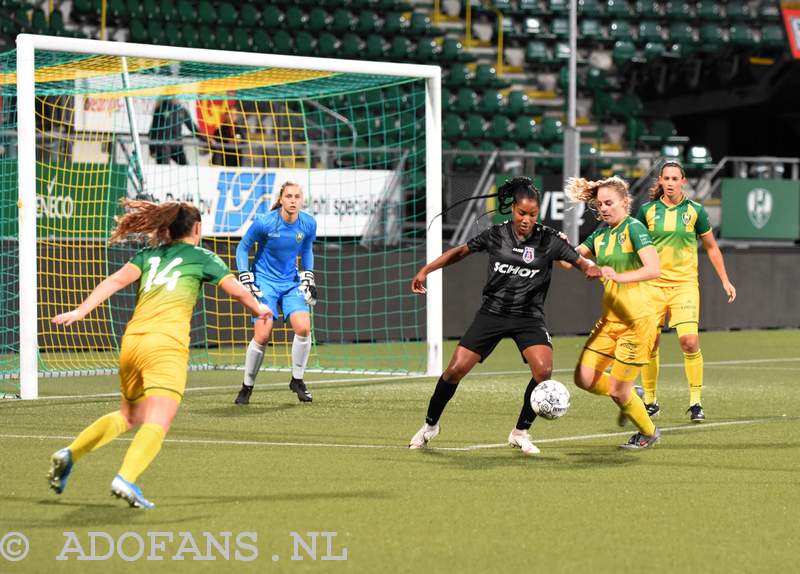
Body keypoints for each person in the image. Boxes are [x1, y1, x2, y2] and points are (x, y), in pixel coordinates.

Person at [47, 200, 272, 508]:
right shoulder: (203, 257)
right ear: (196, 229)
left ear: (167, 228)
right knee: (159, 417)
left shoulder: (148, 255)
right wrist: (260, 308)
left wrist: (81, 310)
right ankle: (126, 478)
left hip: (132, 343)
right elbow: (237, 290)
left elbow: (114, 281)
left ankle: (70, 453)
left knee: (130, 415)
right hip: (165, 345)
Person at [408, 177, 601, 454]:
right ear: (512, 210)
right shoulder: (496, 235)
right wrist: (426, 270)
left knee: (543, 370)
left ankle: (520, 432)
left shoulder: (548, 239)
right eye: (522, 213)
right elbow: (460, 252)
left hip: (528, 317)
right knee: (454, 371)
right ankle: (430, 426)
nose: (527, 219)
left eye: (533, 214)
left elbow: (579, 261)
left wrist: (590, 268)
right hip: (492, 313)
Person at [564, 176, 662, 449]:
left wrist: (618, 277)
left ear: (624, 202)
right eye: (599, 205)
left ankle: (648, 433)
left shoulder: (634, 228)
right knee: (583, 379)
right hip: (610, 321)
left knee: (618, 390)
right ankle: (633, 393)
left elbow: (654, 269)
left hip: (638, 321)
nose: (604, 209)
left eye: (609, 203)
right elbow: (569, 260)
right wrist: (560, 245)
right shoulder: (600, 234)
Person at [635, 161, 736, 422]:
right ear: (660, 181)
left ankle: (695, 402)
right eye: (665, 178)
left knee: (689, 341)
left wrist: (725, 280)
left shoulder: (695, 211)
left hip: (684, 285)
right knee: (650, 343)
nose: (669, 183)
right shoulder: (646, 211)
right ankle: (650, 400)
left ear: (683, 181)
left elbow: (712, 247)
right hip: (653, 285)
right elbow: (632, 245)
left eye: (674, 178)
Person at [234, 181, 318, 405]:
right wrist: (245, 275)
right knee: (262, 335)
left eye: (297, 196)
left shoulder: (308, 223)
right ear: (281, 199)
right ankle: (247, 387)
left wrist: (308, 275)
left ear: (302, 200)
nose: (293, 200)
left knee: (303, 328)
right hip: (264, 282)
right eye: (289, 196)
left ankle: (297, 381)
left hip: (291, 282)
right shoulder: (265, 222)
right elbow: (242, 248)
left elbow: (307, 250)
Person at [148, 98, 202, 165]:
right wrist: (152, 148)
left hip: (176, 146)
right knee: (163, 169)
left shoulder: (181, 110)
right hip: (163, 146)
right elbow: (153, 129)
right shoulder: (160, 109)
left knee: (186, 167)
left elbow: (193, 128)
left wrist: (206, 139)